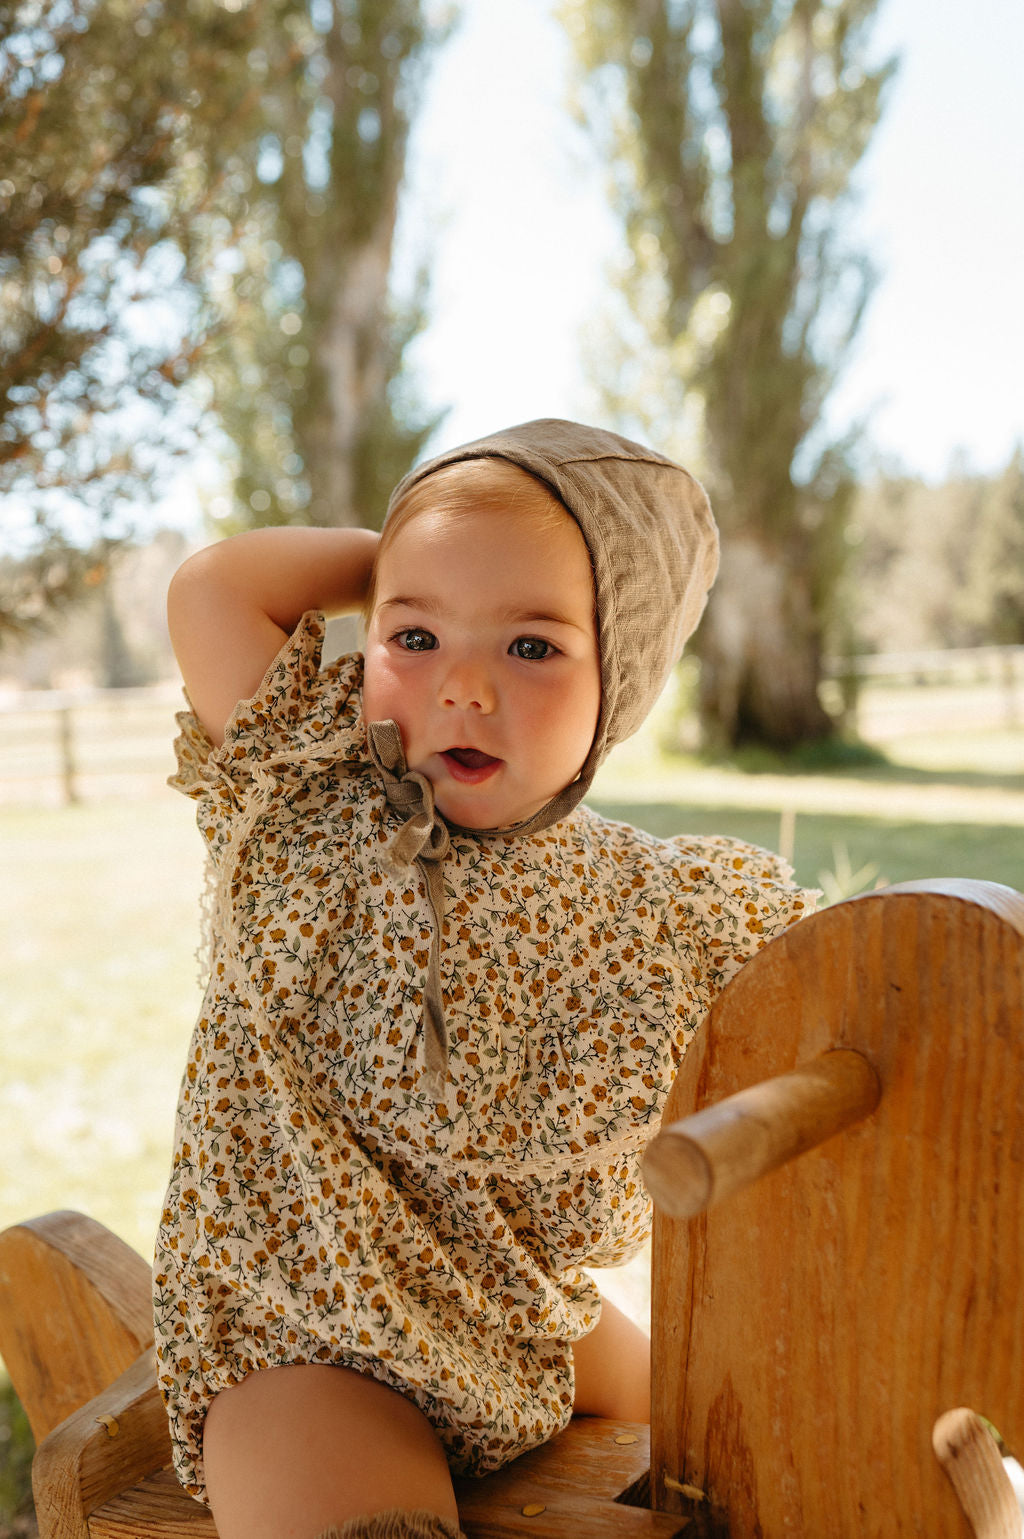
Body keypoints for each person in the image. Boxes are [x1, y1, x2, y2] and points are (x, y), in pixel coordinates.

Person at [155, 418, 814, 1539]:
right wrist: (414, 549)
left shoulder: (654, 902)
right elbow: (217, 587)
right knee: (358, 1515)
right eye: (412, 636)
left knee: (756, 1428)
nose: (459, 685)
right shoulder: (307, 797)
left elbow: (859, 976)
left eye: (530, 647)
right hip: (306, 1327)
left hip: (514, 1313)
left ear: (626, 675)